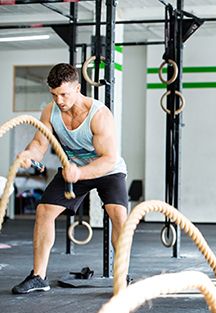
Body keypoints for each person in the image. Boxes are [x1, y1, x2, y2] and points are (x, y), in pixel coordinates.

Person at [11, 63, 128, 294]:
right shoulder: (50, 111)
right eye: (54, 95)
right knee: (44, 211)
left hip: (107, 170)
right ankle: (38, 276)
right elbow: (39, 144)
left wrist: (80, 173)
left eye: (64, 94)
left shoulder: (99, 115)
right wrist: (29, 155)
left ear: (77, 88)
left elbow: (109, 158)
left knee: (119, 215)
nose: (59, 100)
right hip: (73, 169)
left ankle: (122, 276)